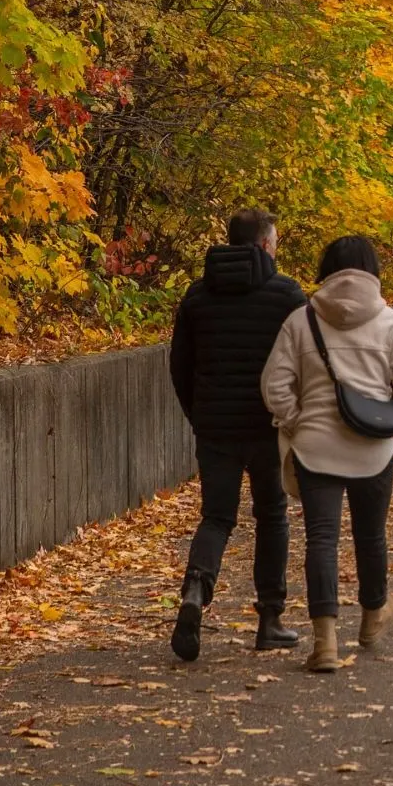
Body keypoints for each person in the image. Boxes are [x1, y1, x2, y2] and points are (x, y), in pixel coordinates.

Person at [261, 235, 393, 673]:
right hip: (374, 448)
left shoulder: (301, 321)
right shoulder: (390, 322)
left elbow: (273, 385)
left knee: (322, 539)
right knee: (370, 536)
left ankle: (325, 642)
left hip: (314, 448)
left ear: (326, 269)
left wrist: (296, 420)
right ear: (373, 271)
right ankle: (373, 617)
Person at [168, 208, 307, 662]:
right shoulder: (287, 295)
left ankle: (194, 591)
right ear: (265, 245)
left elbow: (180, 365)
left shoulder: (197, 296)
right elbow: (304, 361)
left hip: (215, 427)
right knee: (272, 516)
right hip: (268, 425)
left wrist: (200, 414)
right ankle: (270, 620)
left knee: (217, 517)